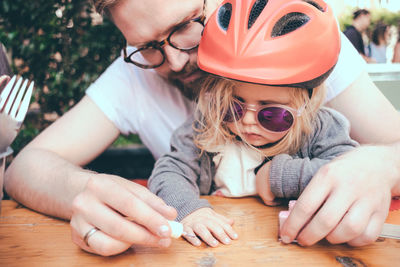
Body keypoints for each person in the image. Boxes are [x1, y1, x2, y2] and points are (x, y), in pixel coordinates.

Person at [4, 0, 400, 256]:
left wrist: (379, 165)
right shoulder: (133, 76)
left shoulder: (296, 38)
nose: (174, 61)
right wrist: (87, 192)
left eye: (184, 26)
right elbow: (26, 167)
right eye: (148, 46)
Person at [148, 0, 358, 247]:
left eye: (272, 115)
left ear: (306, 106)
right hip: (221, 246)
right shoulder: (205, 124)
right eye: (231, 107)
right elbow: (170, 171)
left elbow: (349, 173)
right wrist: (190, 211)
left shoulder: (321, 128)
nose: (247, 121)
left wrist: (278, 176)